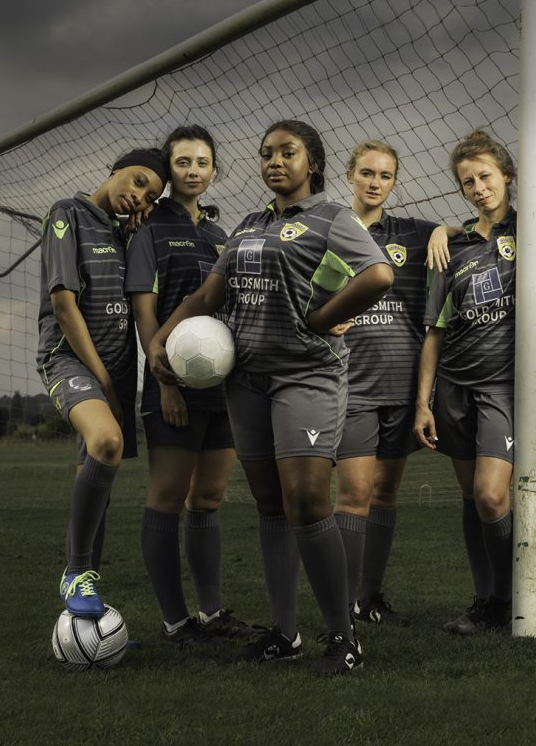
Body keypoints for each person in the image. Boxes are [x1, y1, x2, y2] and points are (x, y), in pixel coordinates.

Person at [148, 119, 394, 674]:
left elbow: (378, 274)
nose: (275, 161)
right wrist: (162, 337)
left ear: (313, 162)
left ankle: (343, 638)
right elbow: (212, 292)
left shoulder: (332, 217)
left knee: (307, 500)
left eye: (288, 152)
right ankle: (286, 634)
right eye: (266, 153)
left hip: (306, 377)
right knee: (270, 506)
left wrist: (323, 316)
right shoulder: (246, 225)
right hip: (247, 381)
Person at [414, 43, 536, 634]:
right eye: (466, 182)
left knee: (492, 495)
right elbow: (434, 330)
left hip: (505, 387)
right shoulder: (451, 245)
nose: (477, 188)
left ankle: (516, 600)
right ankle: (486, 602)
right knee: (471, 499)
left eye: (484, 176)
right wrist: (423, 400)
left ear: (507, 176)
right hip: (452, 387)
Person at [126, 125, 252, 645]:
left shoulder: (222, 236)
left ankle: (211, 612)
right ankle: (177, 623)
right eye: (183, 162)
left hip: (220, 389)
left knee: (209, 497)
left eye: (202, 162)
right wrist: (167, 386)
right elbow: (144, 312)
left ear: (214, 170)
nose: (193, 171)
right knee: (168, 497)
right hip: (172, 387)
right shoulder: (149, 230)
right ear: (168, 169)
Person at [37, 148, 168, 618]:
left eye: (149, 194)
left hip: (117, 368)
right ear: (114, 171)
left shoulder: (127, 233)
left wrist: (137, 234)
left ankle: (84, 609)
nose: (138, 196)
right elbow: (64, 305)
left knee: (99, 477)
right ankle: (74, 569)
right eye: (136, 182)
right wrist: (104, 381)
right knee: (108, 440)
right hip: (73, 362)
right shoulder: (67, 213)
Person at [333, 140, 455, 627]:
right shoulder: (329, 229)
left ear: (394, 182)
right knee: (354, 495)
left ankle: (371, 598)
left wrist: (444, 230)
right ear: (350, 175)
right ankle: (340, 603)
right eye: (366, 172)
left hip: (403, 388)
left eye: (384, 175)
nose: (374, 182)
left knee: (385, 494)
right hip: (350, 385)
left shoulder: (412, 232)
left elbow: (461, 230)